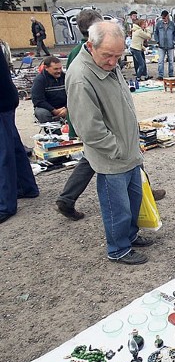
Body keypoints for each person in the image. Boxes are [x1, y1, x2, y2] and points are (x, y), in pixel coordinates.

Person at [65, 21, 153, 265]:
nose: (114, 62)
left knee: (134, 200)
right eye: (108, 56)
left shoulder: (106, 61)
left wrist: (132, 143)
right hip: (112, 157)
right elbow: (89, 128)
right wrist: (117, 148)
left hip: (128, 151)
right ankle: (118, 249)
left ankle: (131, 235)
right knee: (117, 207)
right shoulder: (81, 77)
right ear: (91, 46)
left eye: (118, 55)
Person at [0, 50, 39, 224]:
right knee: (13, 148)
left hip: (2, 101)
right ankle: (26, 187)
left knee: (4, 154)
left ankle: (5, 205)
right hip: (6, 98)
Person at [31, 56, 67, 124]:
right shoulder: (40, 80)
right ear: (46, 68)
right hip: (48, 108)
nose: (59, 71)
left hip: (64, 107)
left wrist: (66, 108)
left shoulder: (65, 77)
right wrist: (54, 110)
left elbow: (72, 95)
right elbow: (38, 100)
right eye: (55, 69)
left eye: (60, 68)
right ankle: (55, 133)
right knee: (42, 113)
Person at [153, 10, 175, 80]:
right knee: (160, 61)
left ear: (167, 16)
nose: (163, 19)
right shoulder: (159, 24)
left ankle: (171, 74)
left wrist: (174, 41)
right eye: (162, 18)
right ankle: (160, 75)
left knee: (171, 61)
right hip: (161, 46)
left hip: (170, 46)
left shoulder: (172, 24)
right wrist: (157, 41)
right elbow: (155, 33)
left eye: (164, 17)